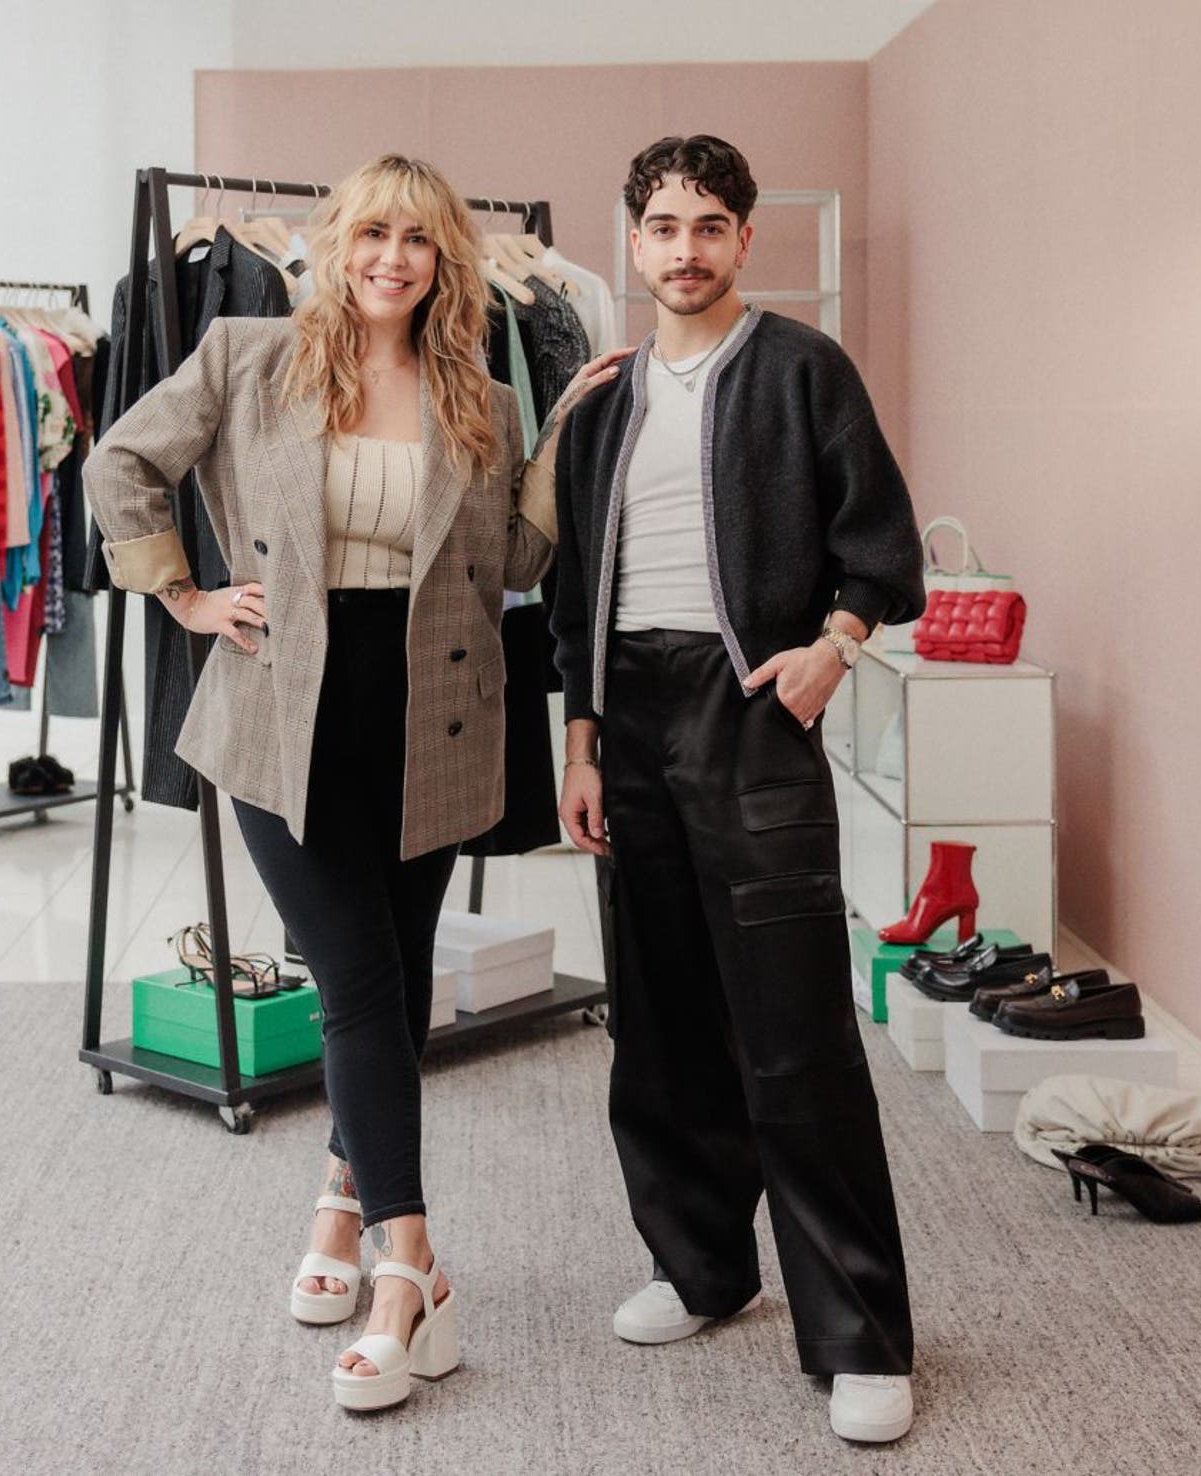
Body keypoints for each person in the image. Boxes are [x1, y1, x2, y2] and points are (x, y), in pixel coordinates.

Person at [83, 153, 622, 1412]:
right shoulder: (245, 353)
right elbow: (120, 465)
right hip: (284, 713)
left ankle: (338, 1204)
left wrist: (565, 439)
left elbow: (517, 560)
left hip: (434, 715)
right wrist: (185, 594)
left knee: (389, 980)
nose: (392, 257)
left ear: (447, 262)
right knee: (359, 985)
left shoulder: (480, 392)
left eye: (418, 241)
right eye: (372, 233)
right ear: (335, 245)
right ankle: (410, 1268)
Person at [547, 135, 925, 1444]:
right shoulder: (599, 398)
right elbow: (566, 590)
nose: (686, 248)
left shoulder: (805, 370)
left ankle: (861, 1335)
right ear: (633, 240)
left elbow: (882, 548)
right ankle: (700, 1267)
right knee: (656, 1022)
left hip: (751, 704)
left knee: (794, 1031)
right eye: (663, 225)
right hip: (629, 721)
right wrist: (583, 743)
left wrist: (834, 649)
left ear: (746, 240)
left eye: (711, 224)